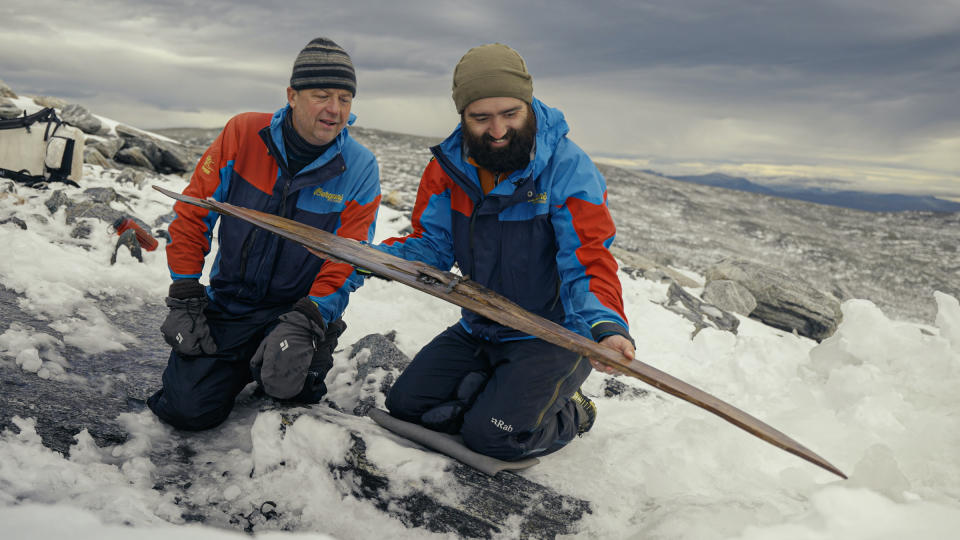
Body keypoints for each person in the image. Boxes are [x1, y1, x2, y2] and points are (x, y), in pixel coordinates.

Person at [377, 43, 634, 460]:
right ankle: (497, 391)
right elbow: (433, 246)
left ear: (529, 106)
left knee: (492, 439)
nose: (497, 131)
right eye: (481, 118)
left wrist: (606, 324)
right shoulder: (449, 169)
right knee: (407, 407)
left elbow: (588, 257)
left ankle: (574, 412)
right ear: (462, 117)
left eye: (510, 114)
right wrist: (373, 258)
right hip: (482, 326)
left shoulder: (567, 168)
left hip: (554, 336)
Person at [148, 37, 381, 430]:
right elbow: (193, 213)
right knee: (186, 410)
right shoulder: (243, 134)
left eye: (345, 99)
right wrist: (185, 294)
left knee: (288, 392)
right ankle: (240, 361)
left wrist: (311, 316)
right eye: (322, 95)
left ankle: (309, 347)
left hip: (296, 310)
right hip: (231, 304)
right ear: (292, 95)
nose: (334, 110)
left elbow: (350, 257)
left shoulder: (358, 167)